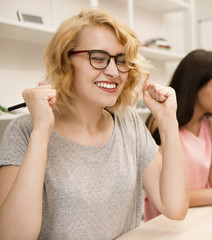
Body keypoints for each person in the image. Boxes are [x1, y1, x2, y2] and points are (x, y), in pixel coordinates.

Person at [0, 8, 189, 239]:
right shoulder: (24, 131)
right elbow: (13, 236)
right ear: (65, 61)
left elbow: (176, 207)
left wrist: (168, 121)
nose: (113, 72)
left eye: (121, 61)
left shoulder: (128, 123)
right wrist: (40, 131)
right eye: (98, 58)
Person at [144, 49, 212, 221]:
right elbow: (174, 197)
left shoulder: (209, 123)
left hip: (199, 216)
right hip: (166, 224)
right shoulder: (161, 123)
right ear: (194, 86)